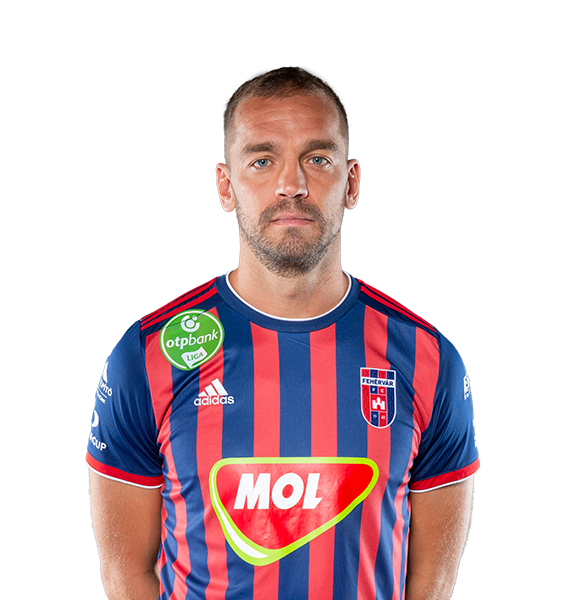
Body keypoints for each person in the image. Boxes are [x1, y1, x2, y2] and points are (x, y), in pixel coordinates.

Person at [87, 66, 479, 600]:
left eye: (317, 159)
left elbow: (431, 581)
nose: (291, 185)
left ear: (351, 183)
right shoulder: (147, 355)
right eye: (262, 160)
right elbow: (126, 573)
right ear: (226, 186)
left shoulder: (428, 360)